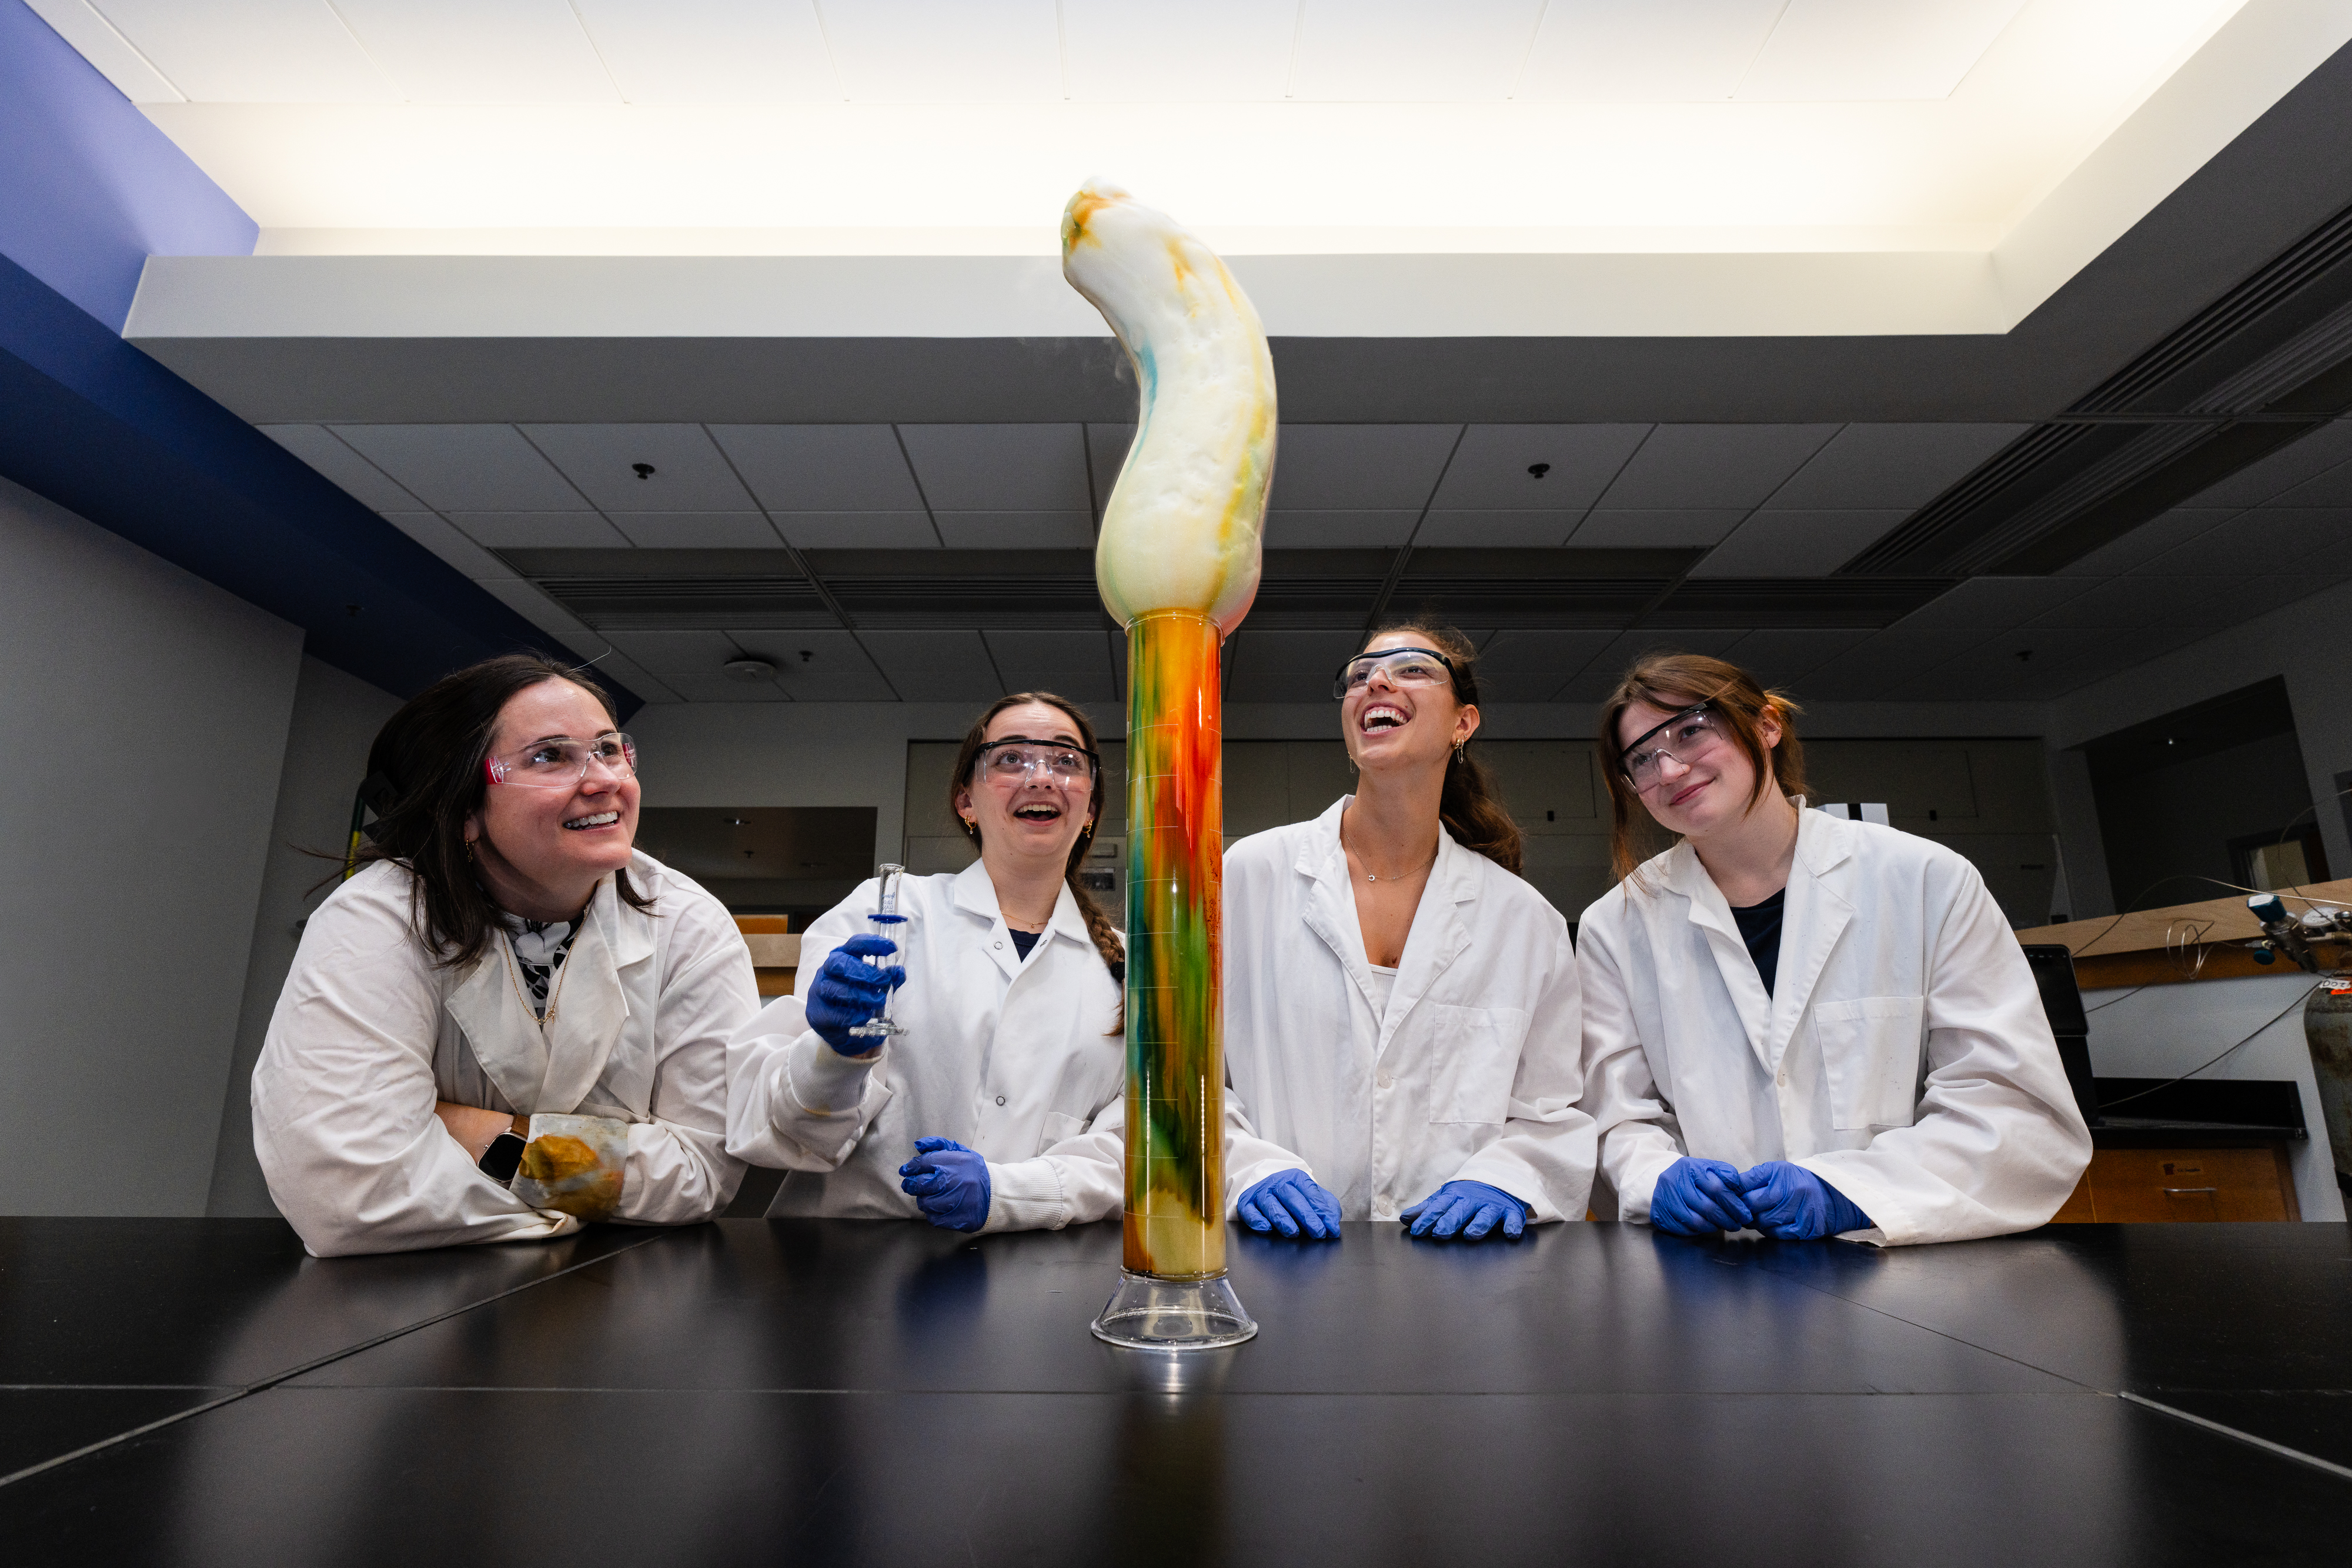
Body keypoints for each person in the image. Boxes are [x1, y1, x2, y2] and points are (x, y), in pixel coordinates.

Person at [1576, 653, 2092, 1245]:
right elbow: (1613, 1116)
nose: (1668, 769)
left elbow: (2008, 1108)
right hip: (1714, 1275)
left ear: (1766, 725)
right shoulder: (1615, 926)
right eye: (1640, 759)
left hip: (1899, 1260)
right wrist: (1657, 1175)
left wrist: (1852, 1192)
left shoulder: (1924, 880)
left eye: (1690, 731)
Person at [252, 654, 756, 1256]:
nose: (603, 780)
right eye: (551, 756)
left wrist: (467, 1130)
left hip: (626, 1298)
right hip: (410, 1303)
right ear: (464, 810)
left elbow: (698, 1175)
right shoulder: (380, 918)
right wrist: (590, 1187)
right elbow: (349, 1192)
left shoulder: (685, 923)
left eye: (608, 749)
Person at [1218, 623, 1592, 1243]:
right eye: (1359, 674)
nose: (1377, 682)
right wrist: (1253, 1168)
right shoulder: (1247, 877)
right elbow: (1186, 1073)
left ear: (1463, 723)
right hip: (1276, 1254)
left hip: (1458, 1268)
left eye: (1413, 668)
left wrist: (1505, 1180)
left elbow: (1549, 1111)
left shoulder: (1523, 921)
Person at [727, 693, 1127, 1232]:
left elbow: (1136, 1148)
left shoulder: (1130, 968)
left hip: (1038, 1271)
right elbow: (782, 1129)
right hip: (852, 1265)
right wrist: (831, 1057)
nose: (1040, 777)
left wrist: (1012, 1192)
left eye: (1065, 760)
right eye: (1010, 758)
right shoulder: (884, 913)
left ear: (1091, 808)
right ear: (967, 801)